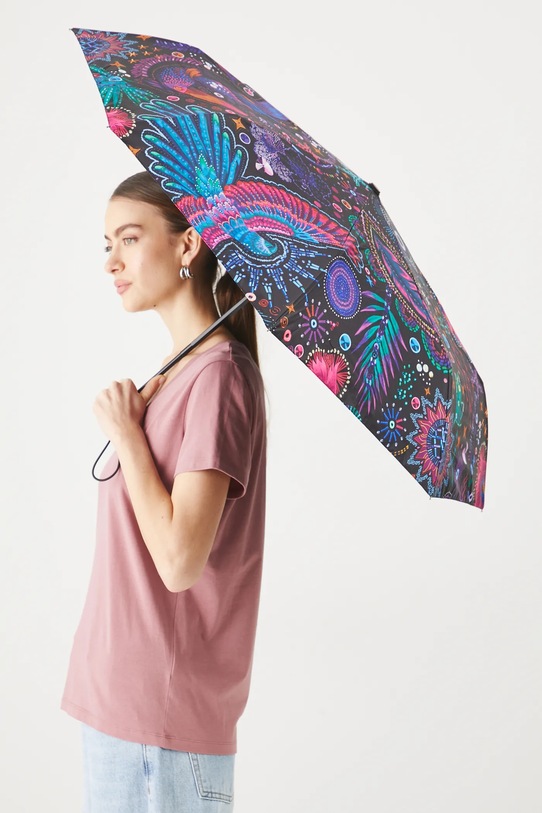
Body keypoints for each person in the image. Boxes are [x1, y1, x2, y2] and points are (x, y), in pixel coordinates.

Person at [60, 171, 268, 812]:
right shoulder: (182, 372)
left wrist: (128, 437)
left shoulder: (219, 377)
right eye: (107, 244)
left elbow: (179, 562)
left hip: (162, 722)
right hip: (124, 707)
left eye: (128, 239)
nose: (111, 262)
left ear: (188, 244)